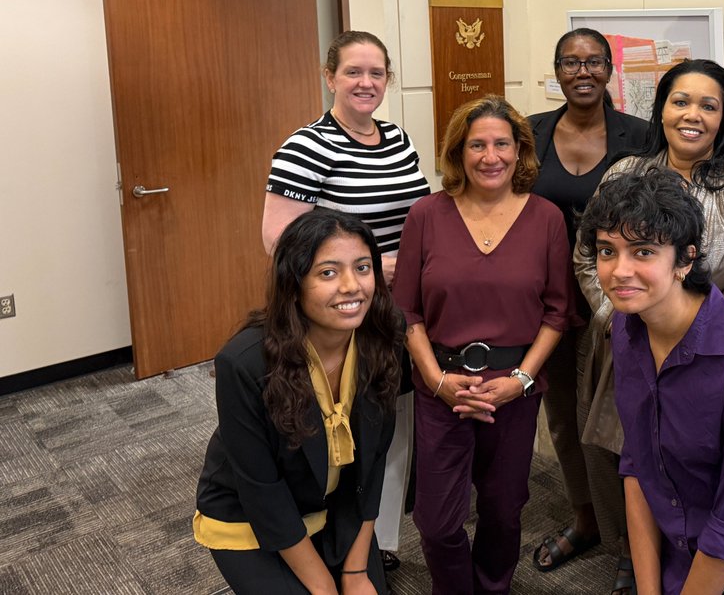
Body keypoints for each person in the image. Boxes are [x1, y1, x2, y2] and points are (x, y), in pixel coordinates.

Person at [577, 58, 724, 595]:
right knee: (634, 461)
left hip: (710, 360)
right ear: (660, 108)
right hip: (630, 341)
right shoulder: (625, 173)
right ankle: (636, 561)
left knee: (704, 478)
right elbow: (589, 255)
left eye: (708, 105)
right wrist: (625, 314)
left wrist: (686, 336)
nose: (692, 114)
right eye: (680, 100)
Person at [263, 30, 431, 570]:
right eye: (354, 72)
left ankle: (379, 541)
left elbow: (419, 214)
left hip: (392, 312)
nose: (366, 83)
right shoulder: (306, 146)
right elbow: (280, 241)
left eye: (376, 73)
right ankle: (323, 534)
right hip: (336, 314)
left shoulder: (397, 137)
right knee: (333, 423)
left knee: (390, 423)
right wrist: (368, 269)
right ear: (329, 76)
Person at [392, 96, 572, 594]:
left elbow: (558, 313)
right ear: (457, 152)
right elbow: (407, 311)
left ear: (519, 152)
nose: (490, 156)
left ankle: (493, 587)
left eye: (501, 144)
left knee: (503, 509)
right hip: (442, 387)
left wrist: (521, 381)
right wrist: (437, 381)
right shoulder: (427, 214)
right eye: (477, 145)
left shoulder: (547, 218)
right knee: (437, 520)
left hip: (514, 391)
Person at [194, 209, 402, 594]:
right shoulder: (244, 362)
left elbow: (373, 464)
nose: (351, 286)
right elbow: (261, 490)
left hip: (335, 505)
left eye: (362, 267)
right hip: (250, 516)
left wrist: (356, 573)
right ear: (294, 283)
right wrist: (322, 585)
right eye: (328, 272)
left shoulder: (384, 337)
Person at [527, 29, 649, 572]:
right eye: (571, 63)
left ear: (608, 70)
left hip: (617, 303)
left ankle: (633, 539)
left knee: (620, 424)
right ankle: (586, 519)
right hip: (547, 301)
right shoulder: (528, 134)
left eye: (594, 62)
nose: (583, 72)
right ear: (556, 70)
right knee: (563, 422)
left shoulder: (642, 137)